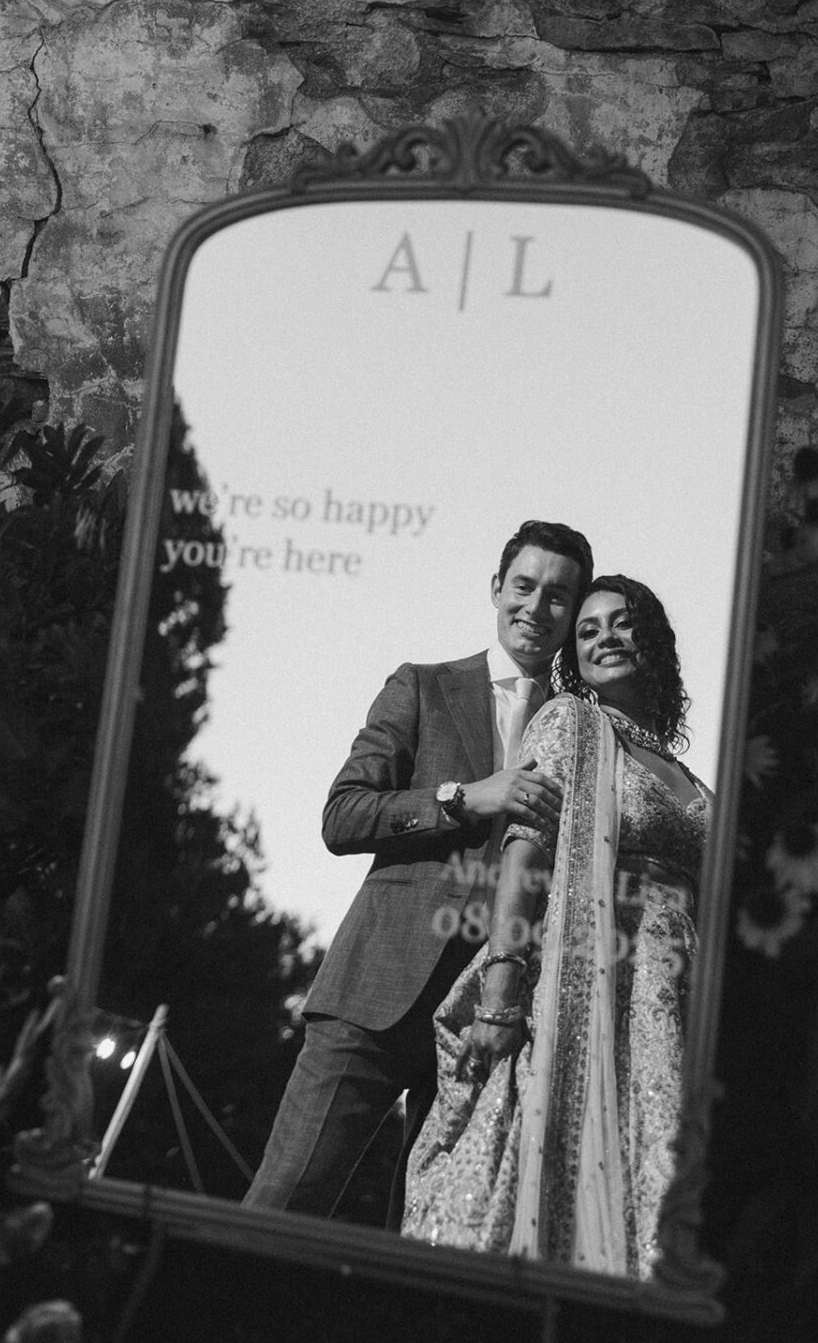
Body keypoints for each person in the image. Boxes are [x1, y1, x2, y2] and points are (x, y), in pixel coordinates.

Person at [243, 520, 594, 1223]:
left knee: (433, 1236)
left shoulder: (582, 728)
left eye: (559, 597)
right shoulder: (423, 687)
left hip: (488, 1021)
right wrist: (463, 798)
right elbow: (343, 816)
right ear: (497, 590)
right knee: (281, 1209)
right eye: (523, 586)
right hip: (374, 997)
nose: (536, 607)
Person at [402, 575, 710, 1279]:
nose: (604, 638)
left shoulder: (683, 769)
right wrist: (501, 987)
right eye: (589, 630)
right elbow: (527, 847)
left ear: (653, 639)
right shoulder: (572, 720)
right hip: (595, 989)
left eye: (621, 623)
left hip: (678, 1001)